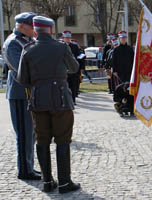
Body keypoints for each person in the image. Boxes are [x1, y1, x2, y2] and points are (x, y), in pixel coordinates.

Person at [17, 16, 80, 193]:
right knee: (62, 140)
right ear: (51, 30)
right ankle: (65, 182)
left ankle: (47, 181)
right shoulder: (61, 47)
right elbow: (74, 67)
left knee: (42, 140)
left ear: (35, 31)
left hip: (38, 101)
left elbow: (23, 79)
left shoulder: (28, 49)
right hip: (60, 100)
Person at [1, 12, 41, 180]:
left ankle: (29, 165)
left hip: (29, 92)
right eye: (33, 27)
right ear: (23, 26)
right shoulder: (13, 43)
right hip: (19, 92)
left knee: (31, 133)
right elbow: (21, 69)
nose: (35, 30)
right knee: (24, 133)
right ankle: (24, 170)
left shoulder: (27, 40)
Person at [62, 30, 81, 104]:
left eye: (69, 37)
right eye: (66, 37)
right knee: (64, 86)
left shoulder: (74, 46)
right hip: (64, 69)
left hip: (73, 69)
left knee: (73, 86)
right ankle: (65, 100)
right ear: (63, 38)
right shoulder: (60, 46)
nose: (67, 39)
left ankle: (73, 100)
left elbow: (78, 56)